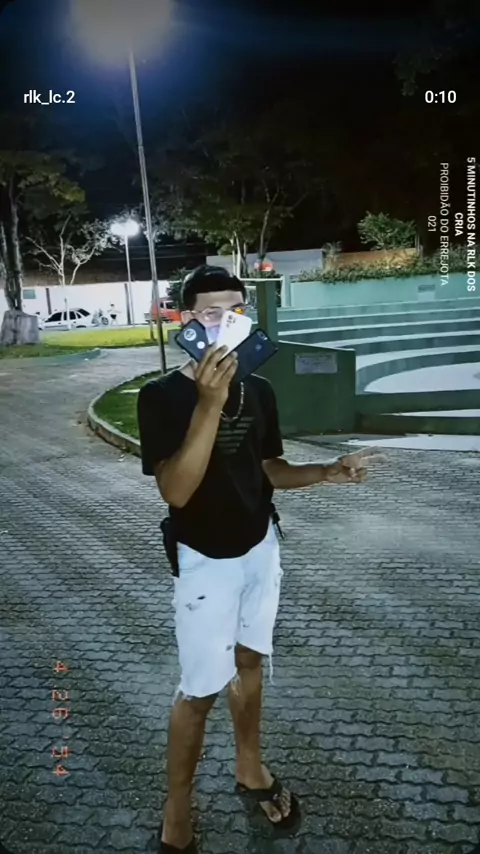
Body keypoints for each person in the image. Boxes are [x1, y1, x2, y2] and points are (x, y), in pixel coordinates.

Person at [137, 265, 385, 854]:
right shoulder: (162, 396)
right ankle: (177, 808)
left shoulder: (260, 390)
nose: (225, 322)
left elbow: (269, 468)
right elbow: (176, 490)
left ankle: (250, 766)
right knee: (200, 689)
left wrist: (327, 472)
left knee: (249, 659)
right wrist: (209, 402)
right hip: (205, 561)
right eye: (211, 312)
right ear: (187, 320)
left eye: (236, 311)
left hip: (259, 547)